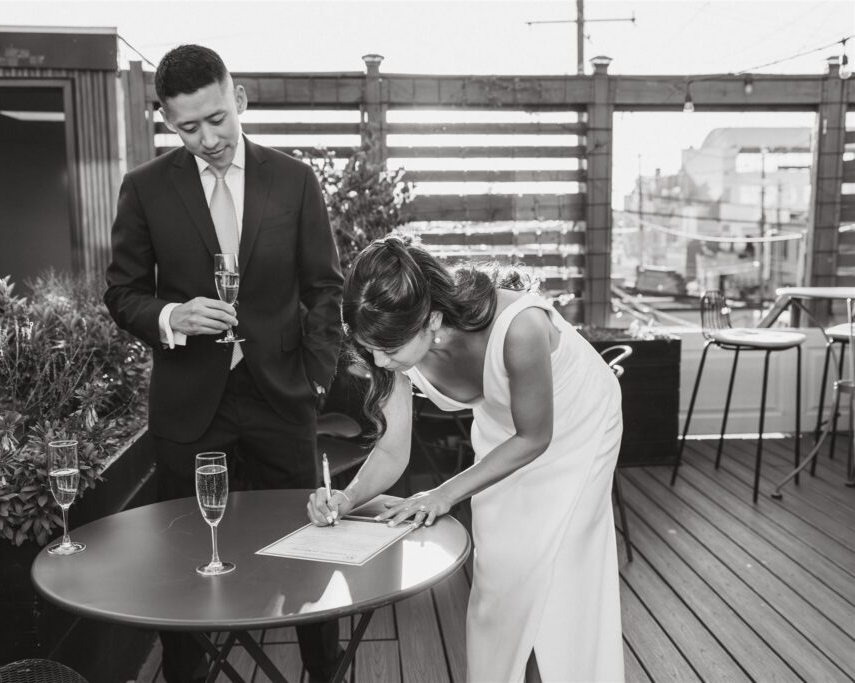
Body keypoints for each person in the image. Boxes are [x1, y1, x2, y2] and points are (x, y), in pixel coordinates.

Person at [104, 44, 344, 683]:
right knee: (183, 564)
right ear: (166, 120)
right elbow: (122, 293)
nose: (206, 138)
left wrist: (315, 378)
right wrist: (172, 317)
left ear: (238, 99)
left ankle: (326, 673)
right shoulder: (145, 189)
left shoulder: (294, 179)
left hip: (281, 398)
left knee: (310, 550)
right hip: (190, 408)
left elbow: (325, 289)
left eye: (216, 119)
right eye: (187, 127)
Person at [307, 235, 625, 683]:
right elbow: (394, 448)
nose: (378, 360)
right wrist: (347, 496)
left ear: (431, 320)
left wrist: (444, 493)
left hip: (575, 421)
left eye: (389, 350)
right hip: (502, 429)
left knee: (558, 568)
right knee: (501, 569)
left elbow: (535, 437)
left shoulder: (521, 326)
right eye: (371, 348)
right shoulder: (393, 344)